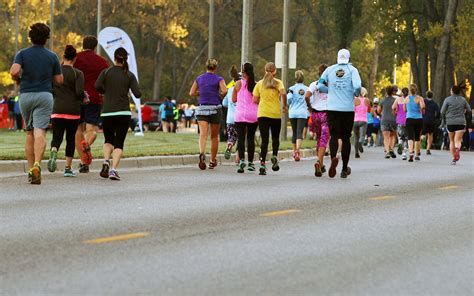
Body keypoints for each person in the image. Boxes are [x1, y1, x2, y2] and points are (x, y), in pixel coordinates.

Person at [9, 23, 63, 185]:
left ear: (30, 37)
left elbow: (13, 71)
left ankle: (31, 168)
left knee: (29, 132)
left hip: (26, 94)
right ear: (46, 38)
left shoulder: (22, 54)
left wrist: (18, 78)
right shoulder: (52, 56)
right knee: (40, 131)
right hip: (45, 95)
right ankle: (38, 165)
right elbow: (59, 80)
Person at [95, 47, 141, 180]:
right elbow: (138, 94)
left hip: (107, 112)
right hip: (123, 112)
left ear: (114, 58)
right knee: (119, 142)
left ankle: (105, 161)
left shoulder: (106, 72)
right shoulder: (129, 75)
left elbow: (97, 86)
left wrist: (106, 92)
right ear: (126, 59)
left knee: (108, 140)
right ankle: (113, 170)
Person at [317, 49, 361, 178]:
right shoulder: (352, 70)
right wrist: (354, 94)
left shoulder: (329, 69)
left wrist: (329, 90)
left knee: (334, 135)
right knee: (346, 137)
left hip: (332, 108)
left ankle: (332, 160)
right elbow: (357, 86)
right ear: (348, 58)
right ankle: (344, 168)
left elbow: (319, 86)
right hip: (347, 109)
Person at [47, 45, 85, 177]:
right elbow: (80, 92)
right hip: (73, 111)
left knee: (57, 137)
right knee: (70, 139)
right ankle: (67, 168)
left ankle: (53, 150)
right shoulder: (78, 73)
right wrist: (83, 98)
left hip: (57, 109)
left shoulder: (56, 73)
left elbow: (50, 88)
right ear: (75, 58)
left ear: (63, 57)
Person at [74, 36, 109, 173]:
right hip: (94, 98)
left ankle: (83, 162)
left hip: (77, 98)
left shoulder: (75, 58)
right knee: (92, 130)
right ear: (95, 46)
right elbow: (106, 80)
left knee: (77, 130)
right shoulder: (102, 62)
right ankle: (86, 145)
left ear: (83, 45)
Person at [189, 59, 227, 170]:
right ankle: (212, 160)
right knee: (214, 136)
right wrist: (218, 94)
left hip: (202, 108)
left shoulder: (199, 78)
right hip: (215, 108)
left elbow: (191, 93)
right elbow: (224, 90)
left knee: (203, 134)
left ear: (206, 67)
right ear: (215, 68)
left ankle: (201, 153)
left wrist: (201, 92)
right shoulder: (219, 79)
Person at [253, 62, 287, 176]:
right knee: (275, 137)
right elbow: (283, 93)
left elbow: (254, 100)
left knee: (264, 140)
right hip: (275, 114)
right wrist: (284, 105)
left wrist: (263, 103)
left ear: (265, 70)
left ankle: (262, 164)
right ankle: (274, 156)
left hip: (263, 114)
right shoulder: (278, 82)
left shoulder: (260, 84)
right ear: (275, 71)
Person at [233, 62, 259, 173]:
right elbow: (258, 100)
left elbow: (233, 99)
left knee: (241, 139)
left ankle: (242, 160)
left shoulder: (237, 84)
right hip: (253, 115)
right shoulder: (256, 85)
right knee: (250, 139)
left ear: (243, 73)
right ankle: (251, 163)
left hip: (240, 115)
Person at [306, 63, 330, 177]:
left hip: (315, 114)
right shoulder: (330, 85)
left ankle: (321, 163)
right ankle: (319, 162)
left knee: (319, 138)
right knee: (324, 140)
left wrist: (309, 106)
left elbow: (306, 96)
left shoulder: (314, 84)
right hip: (326, 114)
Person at [440, 84, 470, 165]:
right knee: (458, 140)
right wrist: (463, 111)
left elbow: (442, 111)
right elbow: (469, 109)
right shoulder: (463, 99)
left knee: (452, 140)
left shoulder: (447, 99)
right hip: (461, 122)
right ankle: (457, 149)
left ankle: (453, 159)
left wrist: (445, 116)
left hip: (450, 122)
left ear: (452, 91)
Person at [287, 70, 308, 161]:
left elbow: (289, 99)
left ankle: (294, 151)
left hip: (293, 112)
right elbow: (309, 99)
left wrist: (289, 104)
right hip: (302, 113)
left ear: (295, 79)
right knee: (299, 132)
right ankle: (298, 151)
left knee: (294, 132)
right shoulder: (307, 88)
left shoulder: (291, 88)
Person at [404, 84, 425, 162]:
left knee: (410, 137)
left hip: (409, 119)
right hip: (418, 119)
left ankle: (410, 153)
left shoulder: (407, 98)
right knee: (417, 137)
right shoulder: (419, 98)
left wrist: (409, 109)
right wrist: (420, 109)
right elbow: (423, 106)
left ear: (410, 90)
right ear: (416, 90)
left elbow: (404, 110)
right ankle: (416, 155)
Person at [222, 65, 240, 161]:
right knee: (241, 138)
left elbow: (224, 103)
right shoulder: (243, 90)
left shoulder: (230, 90)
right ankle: (238, 158)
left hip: (230, 119)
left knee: (231, 137)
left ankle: (229, 146)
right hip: (241, 118)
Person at [379, 85, 398, 159]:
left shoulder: (382, 100)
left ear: (386, 92)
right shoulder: (395, 100)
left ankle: (387, 152)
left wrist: (382, 113)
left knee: (386, 137)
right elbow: (397, 111)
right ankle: (391, 149)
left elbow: (378, 110)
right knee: (393, 136)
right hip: (393, 120)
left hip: (384, 120)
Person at [353, 87, 370, 158]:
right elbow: (369, 110)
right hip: (363, 120)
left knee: (356, 137)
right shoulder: (367, 100)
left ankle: (356, 153)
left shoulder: (355, 100)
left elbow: (353, 110)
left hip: (355, 120)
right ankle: (360, 143)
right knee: (362, 136)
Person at [392, 87, 409, 160]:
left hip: (399, 119)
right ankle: (404, 154)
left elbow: (393, 107)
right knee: (406, 137)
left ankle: (399, 143)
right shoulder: (409, 99)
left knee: (400, 135)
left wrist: (396, 112)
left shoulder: (398, 99)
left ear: (402, 92)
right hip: (408, 119)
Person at [422, 90, 440, 155]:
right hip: (431, 121)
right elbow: (438, 112)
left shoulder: (423, 101)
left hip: (423, 120)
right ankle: (428, 149)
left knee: (421, 133)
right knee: (430, 134)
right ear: (432, 96)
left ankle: (417, 146)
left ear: (426, 95)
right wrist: (436, 118)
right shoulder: (434, 103)